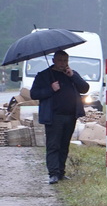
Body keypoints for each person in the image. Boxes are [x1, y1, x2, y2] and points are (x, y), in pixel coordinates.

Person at [30, 50, 89, 184]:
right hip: (54, 116)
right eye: (61, 60)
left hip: (70, 115)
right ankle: (53, 173)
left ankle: (61, 172)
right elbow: (34, 94)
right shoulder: (44, 76)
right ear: (54, 61)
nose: (63, 64)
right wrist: (51, 89)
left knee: (64, 145)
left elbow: (84, 88)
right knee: (53, 145)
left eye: (66, 61)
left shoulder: (71, 74)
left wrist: (73, 76)